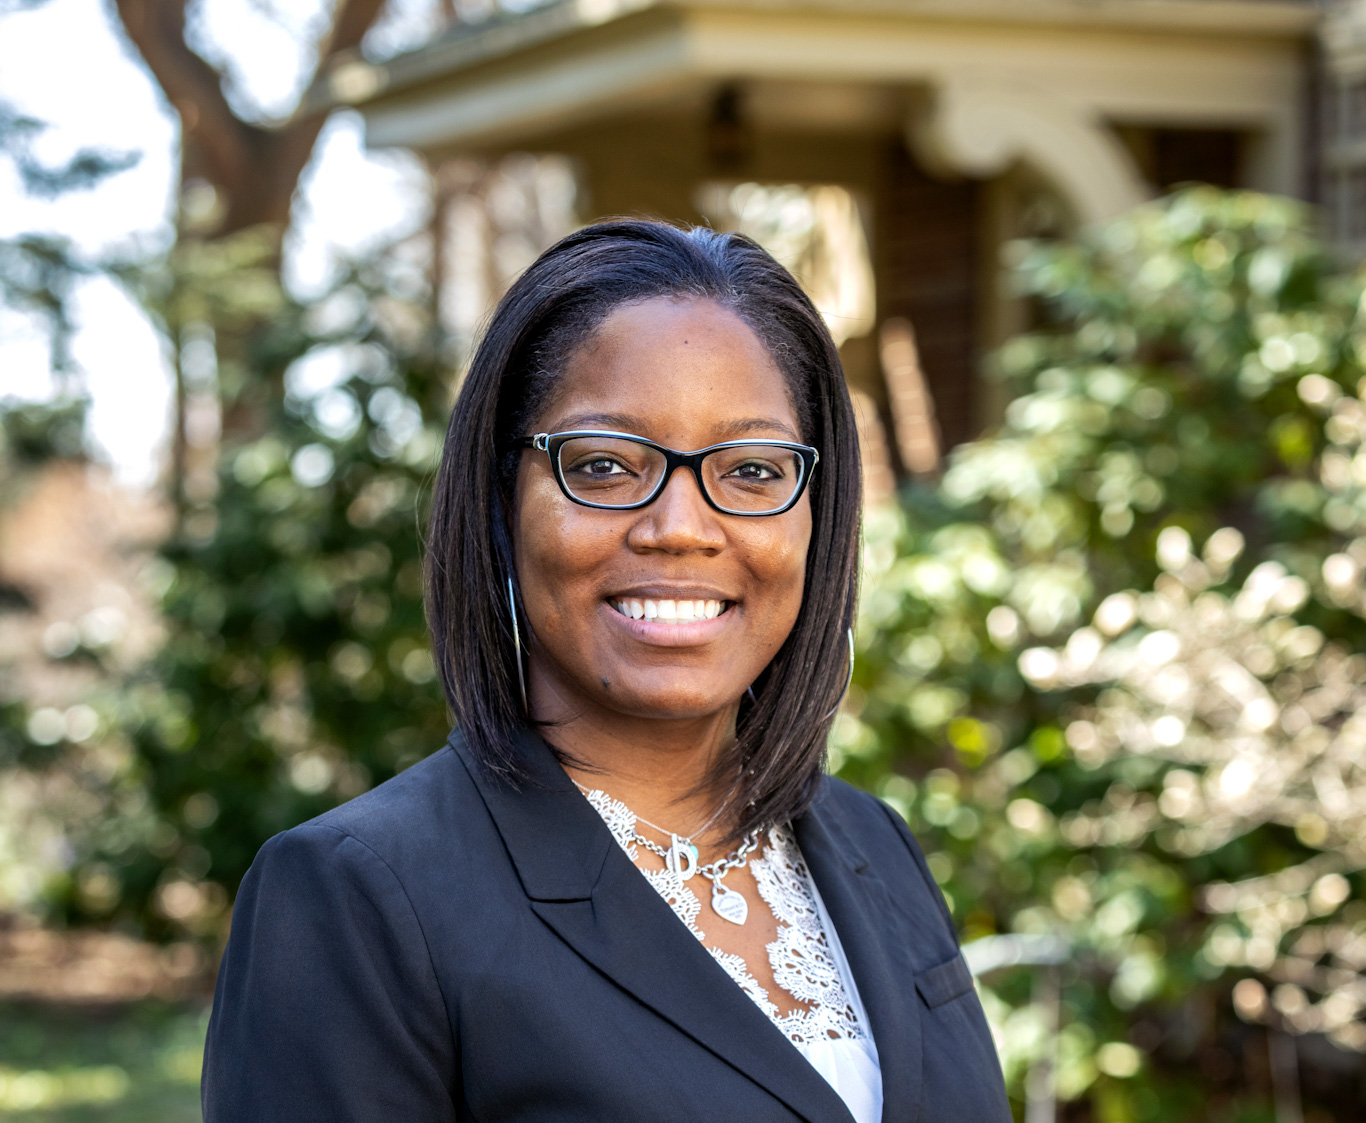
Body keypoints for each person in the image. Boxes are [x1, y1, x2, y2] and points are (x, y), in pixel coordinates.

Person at [201, 220, 1011, 1122]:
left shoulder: (875, 845)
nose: (680, 526)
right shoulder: (358, 897)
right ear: (502, 503)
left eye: (750, 469)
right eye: (604, 465)